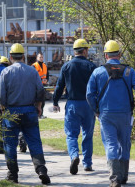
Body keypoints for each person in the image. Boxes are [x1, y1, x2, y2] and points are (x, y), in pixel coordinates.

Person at [86, 40, 135, 187]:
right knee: (124, 143)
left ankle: (114, 179)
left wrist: (96, 110)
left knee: (111, 144)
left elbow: (89, 94)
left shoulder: (98, 71)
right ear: (119, 54)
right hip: (125, 113)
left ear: (106, 55)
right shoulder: (128, 71)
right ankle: (124, 176)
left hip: (106, 114)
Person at [0, 43, 50, 184]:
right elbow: (40, 91)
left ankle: (12, 174)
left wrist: (3, 109)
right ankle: (41, 170)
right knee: (34, 141)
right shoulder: (33, 71)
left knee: (10, 143)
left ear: (10, 57)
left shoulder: (6, 72)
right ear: (24, 56)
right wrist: (38, 106)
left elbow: (1, 96)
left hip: (11, 112)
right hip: (29, 111)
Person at [52, 39, 97, 175]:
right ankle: (87, 164)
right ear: (84, 51)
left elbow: (60, 86)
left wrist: (55, 101)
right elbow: (98, 87)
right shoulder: (92, 67)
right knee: (87, 134)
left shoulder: (66, 66)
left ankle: (74, 156)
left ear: (74, 51)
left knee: (71, 134)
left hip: (72, 104)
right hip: (88, 104)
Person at [32, 53, 49, 119]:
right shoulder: (34, 66)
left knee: (42, 101)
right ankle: (36, 115)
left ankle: (41, 114)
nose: (41, 58)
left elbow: (47, 75)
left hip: (43, 86)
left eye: (42, 57)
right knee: (36, 101)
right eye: (40, 57)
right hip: (36, 87)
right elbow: (32, 76)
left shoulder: (45, 66)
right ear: (37, 58)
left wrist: (46, 80)